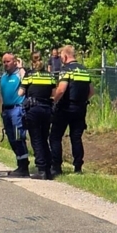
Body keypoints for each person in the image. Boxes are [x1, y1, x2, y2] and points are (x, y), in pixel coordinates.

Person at [49, 45, 92, 177]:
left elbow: (61, 90)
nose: (60, 58)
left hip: (65, 108)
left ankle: (56, 167)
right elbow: (91, 92)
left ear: (65, 55)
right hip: (80, 108)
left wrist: (53, 101)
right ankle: (78, 167)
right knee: (76, 137)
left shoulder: (66, 70)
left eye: (61, 55)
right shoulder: (84, 70)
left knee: (55, 136)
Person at [19, 52, 57, 180]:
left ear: (32, 62)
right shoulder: (49, 75)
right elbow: (53, 93)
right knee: (44, 138)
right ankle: (48, 169)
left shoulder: (29, 74)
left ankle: (41, 169)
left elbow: (20, 93)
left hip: (33, 110)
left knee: (36, 139)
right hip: (47, 109)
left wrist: (22, 78)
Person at [0, 53, 30, 177]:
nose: (6, 64)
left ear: (14, 62)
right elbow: (1, 95)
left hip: (17, 111)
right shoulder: (3, 77)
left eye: (8, 61)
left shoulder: (19, 74)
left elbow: (25, 81)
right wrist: (0, 110)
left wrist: (21, 67)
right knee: (11, 138)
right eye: (4, 62)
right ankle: (20, 164)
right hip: (6, 111)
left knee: (18, 137)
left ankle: (24, 167)